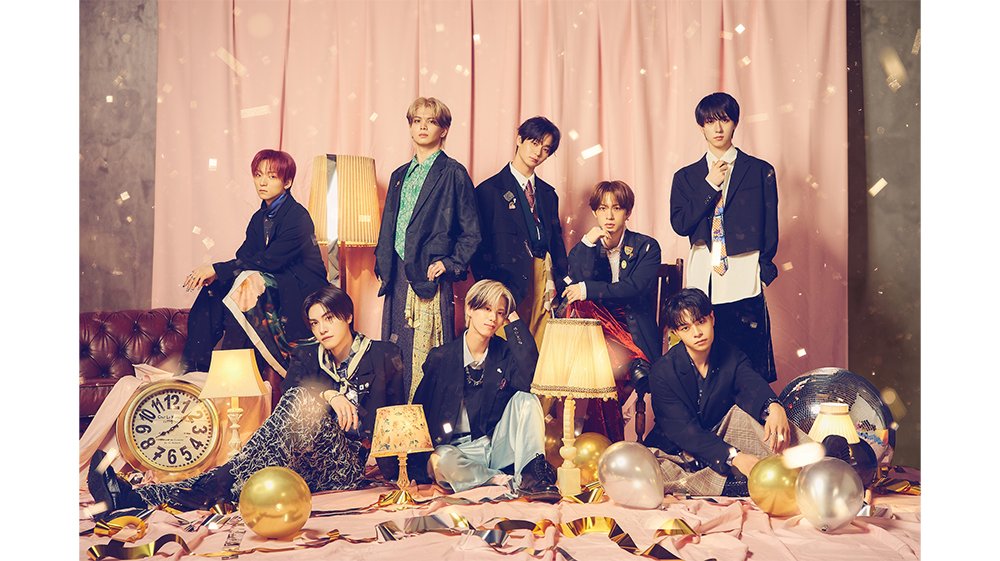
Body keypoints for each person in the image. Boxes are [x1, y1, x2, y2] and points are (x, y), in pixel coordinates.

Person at [87, 286, 404, 519]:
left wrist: (406, 471)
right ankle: (135, 499)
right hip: (305, 457)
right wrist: (329, 394)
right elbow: (292, 389)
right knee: (245, 477)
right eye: (314, 322)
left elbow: (398, 415)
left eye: (329, 319)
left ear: (348, 316)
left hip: (344, 466)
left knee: (248, 460)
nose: (322, 329)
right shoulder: (308, 354)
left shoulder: (383, 355)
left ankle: (206, 483)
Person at [180, 149, 328, 375]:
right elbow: (245, 257)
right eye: (258, 175)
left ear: (287, 182)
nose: (262, 182)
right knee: (215, 288)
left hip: (300, 287)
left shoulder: (298, 216)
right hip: (270, 281)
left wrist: (216, 268)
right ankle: (193, 368)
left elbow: (270, 261)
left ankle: (232, 374)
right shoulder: (259, 218)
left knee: (246, 281)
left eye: (271, 176)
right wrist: (217, 275)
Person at [374, 97, 481, 402]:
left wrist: (450, 263)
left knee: (428, 355)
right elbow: (389, 225)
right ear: (410, 127)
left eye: (431, 121)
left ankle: (425, 419)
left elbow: (472, 233)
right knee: (395, 352)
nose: (422, 126)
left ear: (443, 129)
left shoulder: (453, 173)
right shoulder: (398, 175)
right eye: (417, 120)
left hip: (429, 274)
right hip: (397, 274)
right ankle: (397, 420)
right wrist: (382, 263)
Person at [644, 288, 799, 497]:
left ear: (712, 318)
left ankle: (813, 460)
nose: (697, 333)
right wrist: (734, 456)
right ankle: (737, 483)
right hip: (676, 450)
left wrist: (774, 406)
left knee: (744, 418)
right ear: (676, 332)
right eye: (686, 327)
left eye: (701, 322)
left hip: (718, 436)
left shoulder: (731, 356)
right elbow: (683, 430)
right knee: (656, 473)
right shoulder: (662, 372)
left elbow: (751, 385)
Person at [669, 92, 779, 382]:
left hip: (744, 274)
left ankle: (750, 410)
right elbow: (680, 224)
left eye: (724, 120)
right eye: (710, 122)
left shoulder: (759, 171)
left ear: (735, 123)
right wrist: (709, 185)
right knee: (705, 363)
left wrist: (764, 271)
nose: (717, 128)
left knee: (748, 362)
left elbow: (770, 225)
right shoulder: (686, 177)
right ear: (701, 127)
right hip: (703, 274)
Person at [411, 279, 556, 494]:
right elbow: (420, 411)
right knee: (440, 460)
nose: (493, 318)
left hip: (495, 446)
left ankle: (532, 478)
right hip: (457, 451)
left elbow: (530, 380)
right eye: (486, 309)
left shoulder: (505, 353)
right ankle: (498, 479)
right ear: (469, 309)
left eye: (500, 312)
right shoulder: (442, 358)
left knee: (527, 399)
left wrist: (513, 319)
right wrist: (413, 467)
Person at [561, 180, 662, 440]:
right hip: (599, 335)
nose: (609, 215)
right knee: (579, 304)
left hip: (634, 330)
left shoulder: (647, 246)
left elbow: (634, 288)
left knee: (601, 367)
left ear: (628, 213)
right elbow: (576, 277)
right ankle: (632, 362)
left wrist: (587, 289)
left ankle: (607, 442)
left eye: (616, 208)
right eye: (603, 208)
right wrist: (587, 242)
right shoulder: (589, 246)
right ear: (595, 212)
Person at [470, 116, 567, 344]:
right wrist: (489, 287)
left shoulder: (548, 194)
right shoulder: (488, 191)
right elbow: (478, 245)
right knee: (507, 345)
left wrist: (563, 280)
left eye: (546, 149)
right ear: (519, 139)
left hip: (544, 276)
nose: (538, 152)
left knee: (542, 345)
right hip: (506, 279)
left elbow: (556, 242)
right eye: (534, 143)